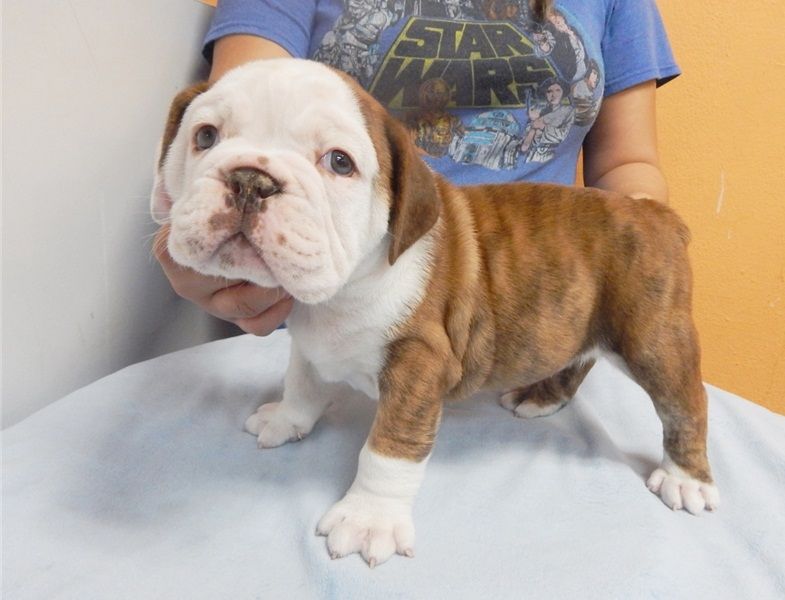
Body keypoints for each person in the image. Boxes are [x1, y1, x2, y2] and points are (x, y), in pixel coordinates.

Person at [155, 0, 679, 335]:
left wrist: (640, 246)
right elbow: (237, 115)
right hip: (333, 319)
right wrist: (206, 229)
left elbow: (627, 164)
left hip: (530, 317)